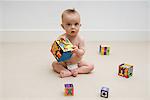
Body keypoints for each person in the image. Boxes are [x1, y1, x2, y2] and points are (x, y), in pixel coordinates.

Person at [52, 8, 94, 78]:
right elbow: (56, 47)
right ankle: (65, 71)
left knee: (91, 66)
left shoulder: (80, 39)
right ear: (63, 26)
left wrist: (77, 51)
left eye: (76, 24)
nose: (73, 27)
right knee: (54, 64)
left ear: (80, 25)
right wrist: (57, 47)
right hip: (65, 62)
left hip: (77, 62)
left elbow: (82, 52)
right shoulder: (62, 37)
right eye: (68, 24)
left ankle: (77, 70)